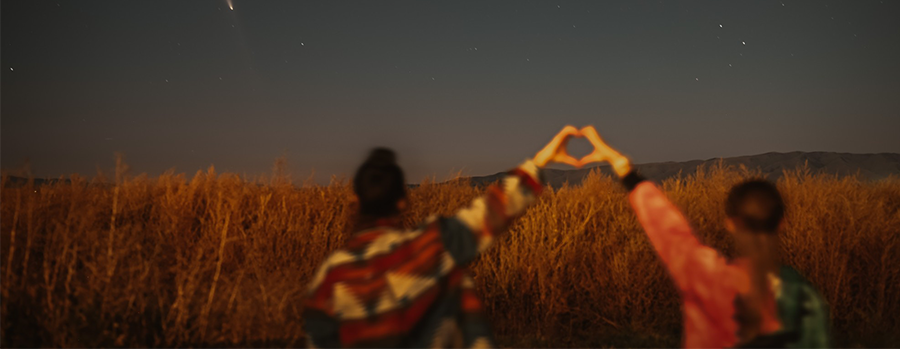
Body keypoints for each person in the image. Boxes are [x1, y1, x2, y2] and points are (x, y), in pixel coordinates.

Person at [303, 126, 582, 348]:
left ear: (355, 201)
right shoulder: (432, 244)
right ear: (403, 202)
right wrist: (541, 160)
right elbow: (493, 210)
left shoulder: (332, 274)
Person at [578, 125, 830, 348]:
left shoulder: (706, 279)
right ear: (782, 223)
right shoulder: (805, 297)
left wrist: (622, 166)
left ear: (730, 224)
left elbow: (668, 228)